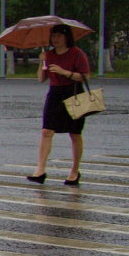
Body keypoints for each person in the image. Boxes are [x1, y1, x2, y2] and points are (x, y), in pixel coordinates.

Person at [27, 23, 90, 186]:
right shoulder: (48, 55)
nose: (56, 39)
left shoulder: (77, 54)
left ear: (67, 37)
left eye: (59, 36)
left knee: (75, 133)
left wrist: (64, 72)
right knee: (47, 131)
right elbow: (41, 79)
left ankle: (75, 171)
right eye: (53, 36)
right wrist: (42, 64)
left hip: (73, 93)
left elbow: (86, 77)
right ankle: (40, 170)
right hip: (54, 94)